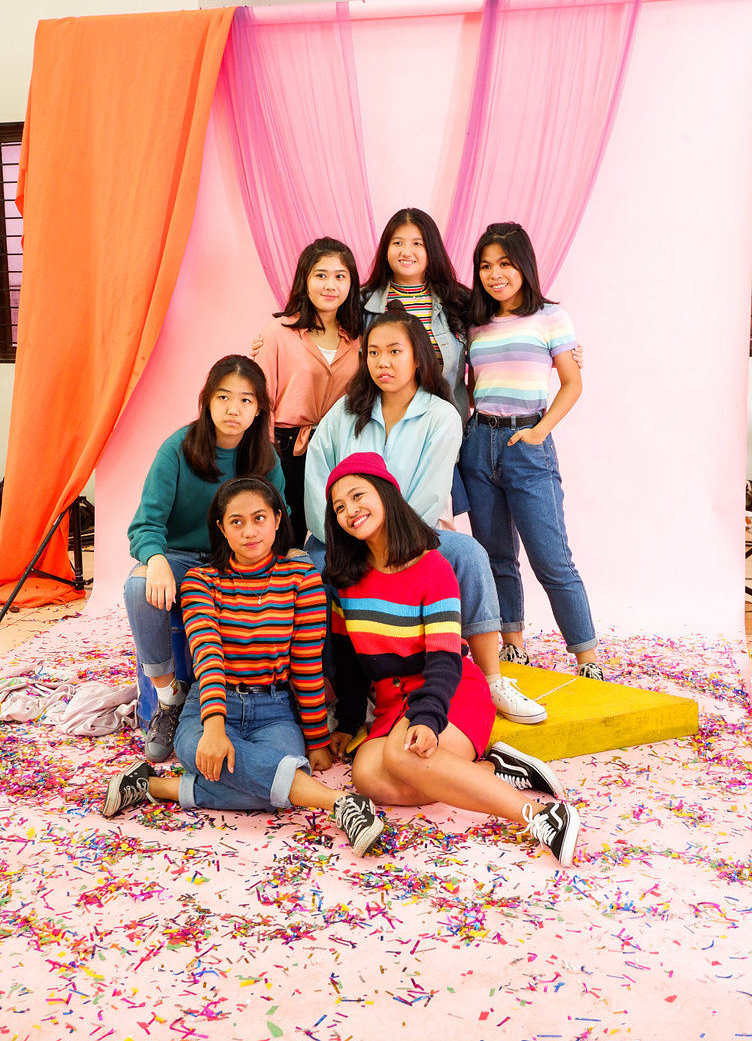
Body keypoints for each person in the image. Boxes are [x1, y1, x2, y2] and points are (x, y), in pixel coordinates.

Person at [323, 454, 581, 867]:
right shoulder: (346, 580)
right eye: (339, 507)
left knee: (402, 757)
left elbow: (444, 658)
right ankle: (495, 770)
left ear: (386, 495)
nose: (349, 511)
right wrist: (349, 722)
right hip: (392, 706)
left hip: (448, 692)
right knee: (367, 776)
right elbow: (350, 663)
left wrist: (427, 718)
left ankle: (539, 815)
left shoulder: (432, 567)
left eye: (358, 496)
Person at [106, 477, 384, 857]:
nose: (249, 531)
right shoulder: (201, 581)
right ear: (221, 528)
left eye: (259, 518)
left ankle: (154, 786)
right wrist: (214, 728)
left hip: (275, 710)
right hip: (209, 707)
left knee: (269, 785)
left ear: (277, 519)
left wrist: (317, 738)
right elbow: (207, 655)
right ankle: (340, 803)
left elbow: (306, 663)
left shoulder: (302, 578)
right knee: (277, 779)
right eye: (236, 522)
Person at [304, 306, 547, 725]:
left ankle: (491, 679)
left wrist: (383, 544)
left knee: (468, 553)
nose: (383, 362)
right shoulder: (343, 413)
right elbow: (316, 482)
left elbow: (429, 495)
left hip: (410, 537)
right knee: (308, 571)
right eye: (374, 352)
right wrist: (348, 535)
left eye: (394, 351)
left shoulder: (441, 416)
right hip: (340, 536)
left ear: (418, 356)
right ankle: (333, 690)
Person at [125, 355, 289, 765]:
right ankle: (168, 697)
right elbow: (146, 523)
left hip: (237, 560)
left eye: (246, 400)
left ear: (259, 408)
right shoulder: (177, 449)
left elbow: (279, 520)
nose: (234, 409)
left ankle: (281, 701)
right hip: (181, 557)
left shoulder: (265, 456)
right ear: (207, 400)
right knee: (138, 586)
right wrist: (156, 559)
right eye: (223, 397)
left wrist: (289, 554)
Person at [458, 222, 602, 680]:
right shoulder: (476, 324)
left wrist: (539, 432)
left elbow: (572, 382)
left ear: (524, 265)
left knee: (551, 559)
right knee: (495, 556)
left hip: (527, 445)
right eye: (485, 266)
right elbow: (474, 386)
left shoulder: (551, 317)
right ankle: (512, 646)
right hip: (478, 444)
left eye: (504, 263)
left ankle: (587, 658)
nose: (494, 274)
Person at [254, 238, 363, 547]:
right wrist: (266, 457)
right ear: (305, 279)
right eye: (321, 275)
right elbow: (262, 400)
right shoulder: (278, 332)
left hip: (336, 450)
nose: (330, 285)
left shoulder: (357, 338)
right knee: (284, 539)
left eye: (340, 276)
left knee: (335, 538)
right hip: (286, 450)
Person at [360, 208, 470, 421]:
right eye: (397, 243)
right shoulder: (362, 303)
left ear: (432, 249)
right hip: (382, 424)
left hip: (444, 425)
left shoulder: (458, 301)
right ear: (385, 249)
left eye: (417, 244)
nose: (406, 252)